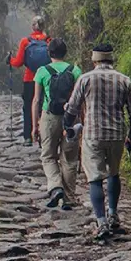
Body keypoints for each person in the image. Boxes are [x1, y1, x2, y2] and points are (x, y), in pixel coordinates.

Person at [63, 43, 131, 241]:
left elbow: (72, 108)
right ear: (111, 59)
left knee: (95, 178)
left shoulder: (85, 79)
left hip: (92, 135)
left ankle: (101, 222)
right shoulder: (124, 80)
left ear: (94, 59)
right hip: (116, 134)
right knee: (114, 173)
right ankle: (113, 214)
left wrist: (68, 127)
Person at [32, 38, 82, 210]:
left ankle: (55, 187)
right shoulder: (75, 70)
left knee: (48, 156)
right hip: (71, 117)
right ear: (65, 52)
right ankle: (68, 198)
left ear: (49, 53)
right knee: (69, 159)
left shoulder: (42, 71)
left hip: (49, 117)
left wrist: (35, 126)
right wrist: (80, 122)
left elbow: (36, 100)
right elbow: (78, 100)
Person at [8, 15, 51, 146]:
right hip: (45, 79)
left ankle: (28, 137)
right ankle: (44, 137)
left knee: (28, 107)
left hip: (29, 79)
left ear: (32, 27)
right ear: (44, 26)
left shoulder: (25, 42)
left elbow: (18, 62)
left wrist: (9, 60)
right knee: (44, 107)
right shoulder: (49, 41)